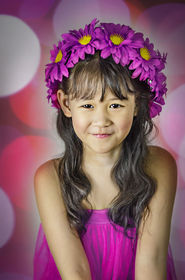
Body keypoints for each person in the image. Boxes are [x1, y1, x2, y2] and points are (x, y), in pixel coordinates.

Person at [33, 19, 177, 280]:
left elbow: (151, 264)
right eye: (88, 106)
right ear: (66, 104)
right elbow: (75, 272)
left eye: (115, 105)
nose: (101, 121)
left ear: (138, 104)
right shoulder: (49, 177)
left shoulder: (159, 165)